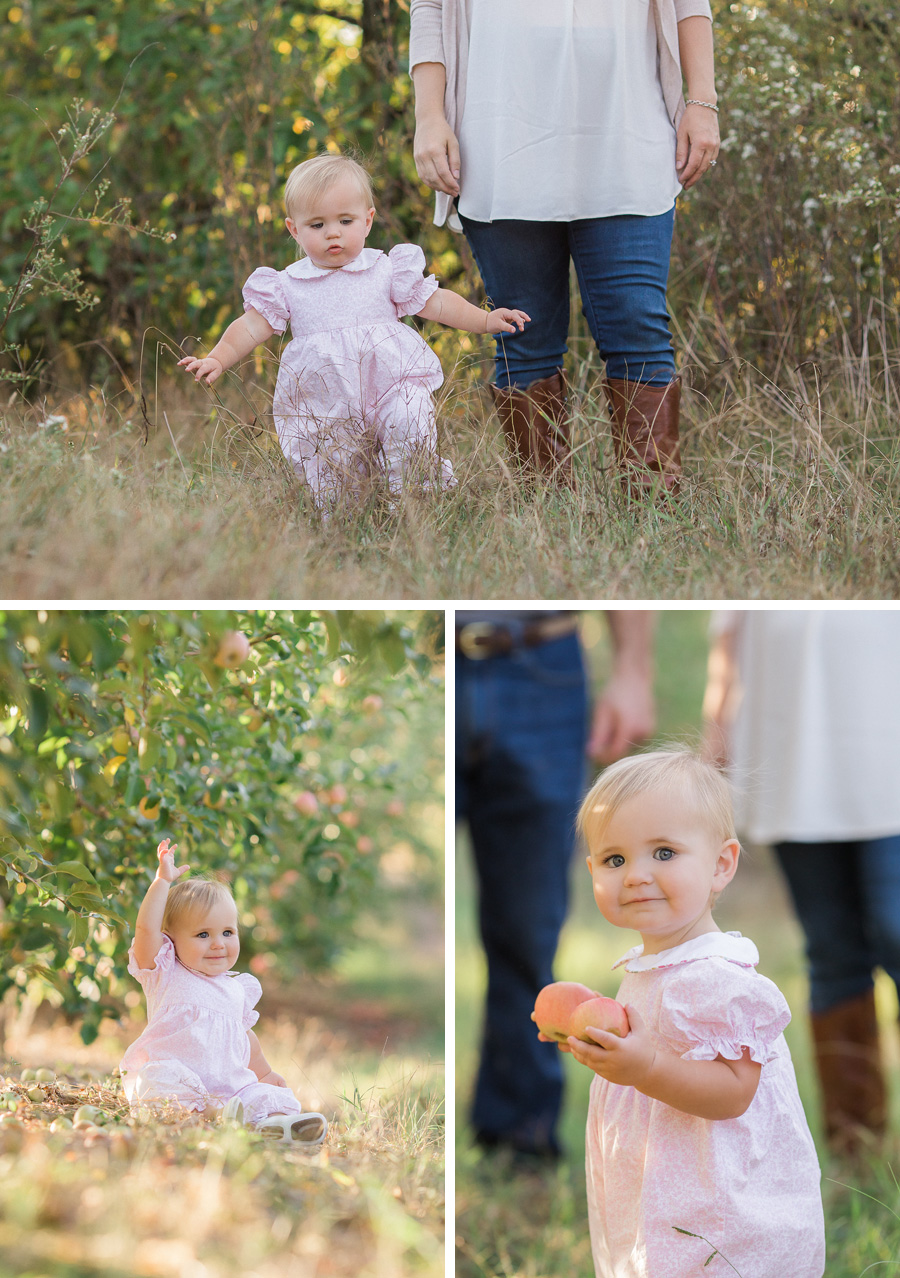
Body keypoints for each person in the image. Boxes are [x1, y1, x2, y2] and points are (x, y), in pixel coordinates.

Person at [409, 0, 721, 493]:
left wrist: (702, 101)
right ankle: (547, 515)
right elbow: (429, 8)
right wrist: (429, 115)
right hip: (500, 138)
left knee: (638, 327)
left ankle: (656, 514)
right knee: (524, 336)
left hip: (627, 132)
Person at [559, 750, 824, 1277]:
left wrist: (645, 1069)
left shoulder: (718, 980)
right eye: (614, 860)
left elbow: (734, 1093)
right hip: (663, 1188)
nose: (635, 875)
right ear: (592, 871)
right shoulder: (652, 968)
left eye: (663, 852)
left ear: (721, 864)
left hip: (720, 1203)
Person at [178, 152, 529, 507]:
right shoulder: (287, 285)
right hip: (326, 399)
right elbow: (251, 326)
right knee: (333, 467)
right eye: (317, 225)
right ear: (294, 229)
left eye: (345, 220)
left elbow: (435, 302)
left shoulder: (387, 269)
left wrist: (484, 321)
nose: (333, 233)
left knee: (408, 424)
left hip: (392, 383)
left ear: (367, 220)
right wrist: (218, 358)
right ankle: (348, 520)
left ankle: (411, 504)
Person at [456, 609, 655, 1159]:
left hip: (543, 666)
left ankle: (521, 1134)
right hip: (422, 656)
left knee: (528, 925)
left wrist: (633, 669)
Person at [703, 609, 900, 1154]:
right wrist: (715, 735)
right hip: (788, 746)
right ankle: (856, 1144)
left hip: (888, 736)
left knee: (895, 926)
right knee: (831, 950)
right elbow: (730, 637)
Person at [120, 838, 328, 1144]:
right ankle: (190, 1125)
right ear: (172, 940)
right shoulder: (165, 973)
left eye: (228, 932)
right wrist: (162, 882)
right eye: (203, 934)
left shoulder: (236, 989)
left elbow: (244, 1040)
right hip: (181, 1083)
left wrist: (266, 1075)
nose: (218, 943)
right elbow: (145, 931)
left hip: (228, 1092)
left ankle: (278, 1128)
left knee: (262, 1096)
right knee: (159, 1082)